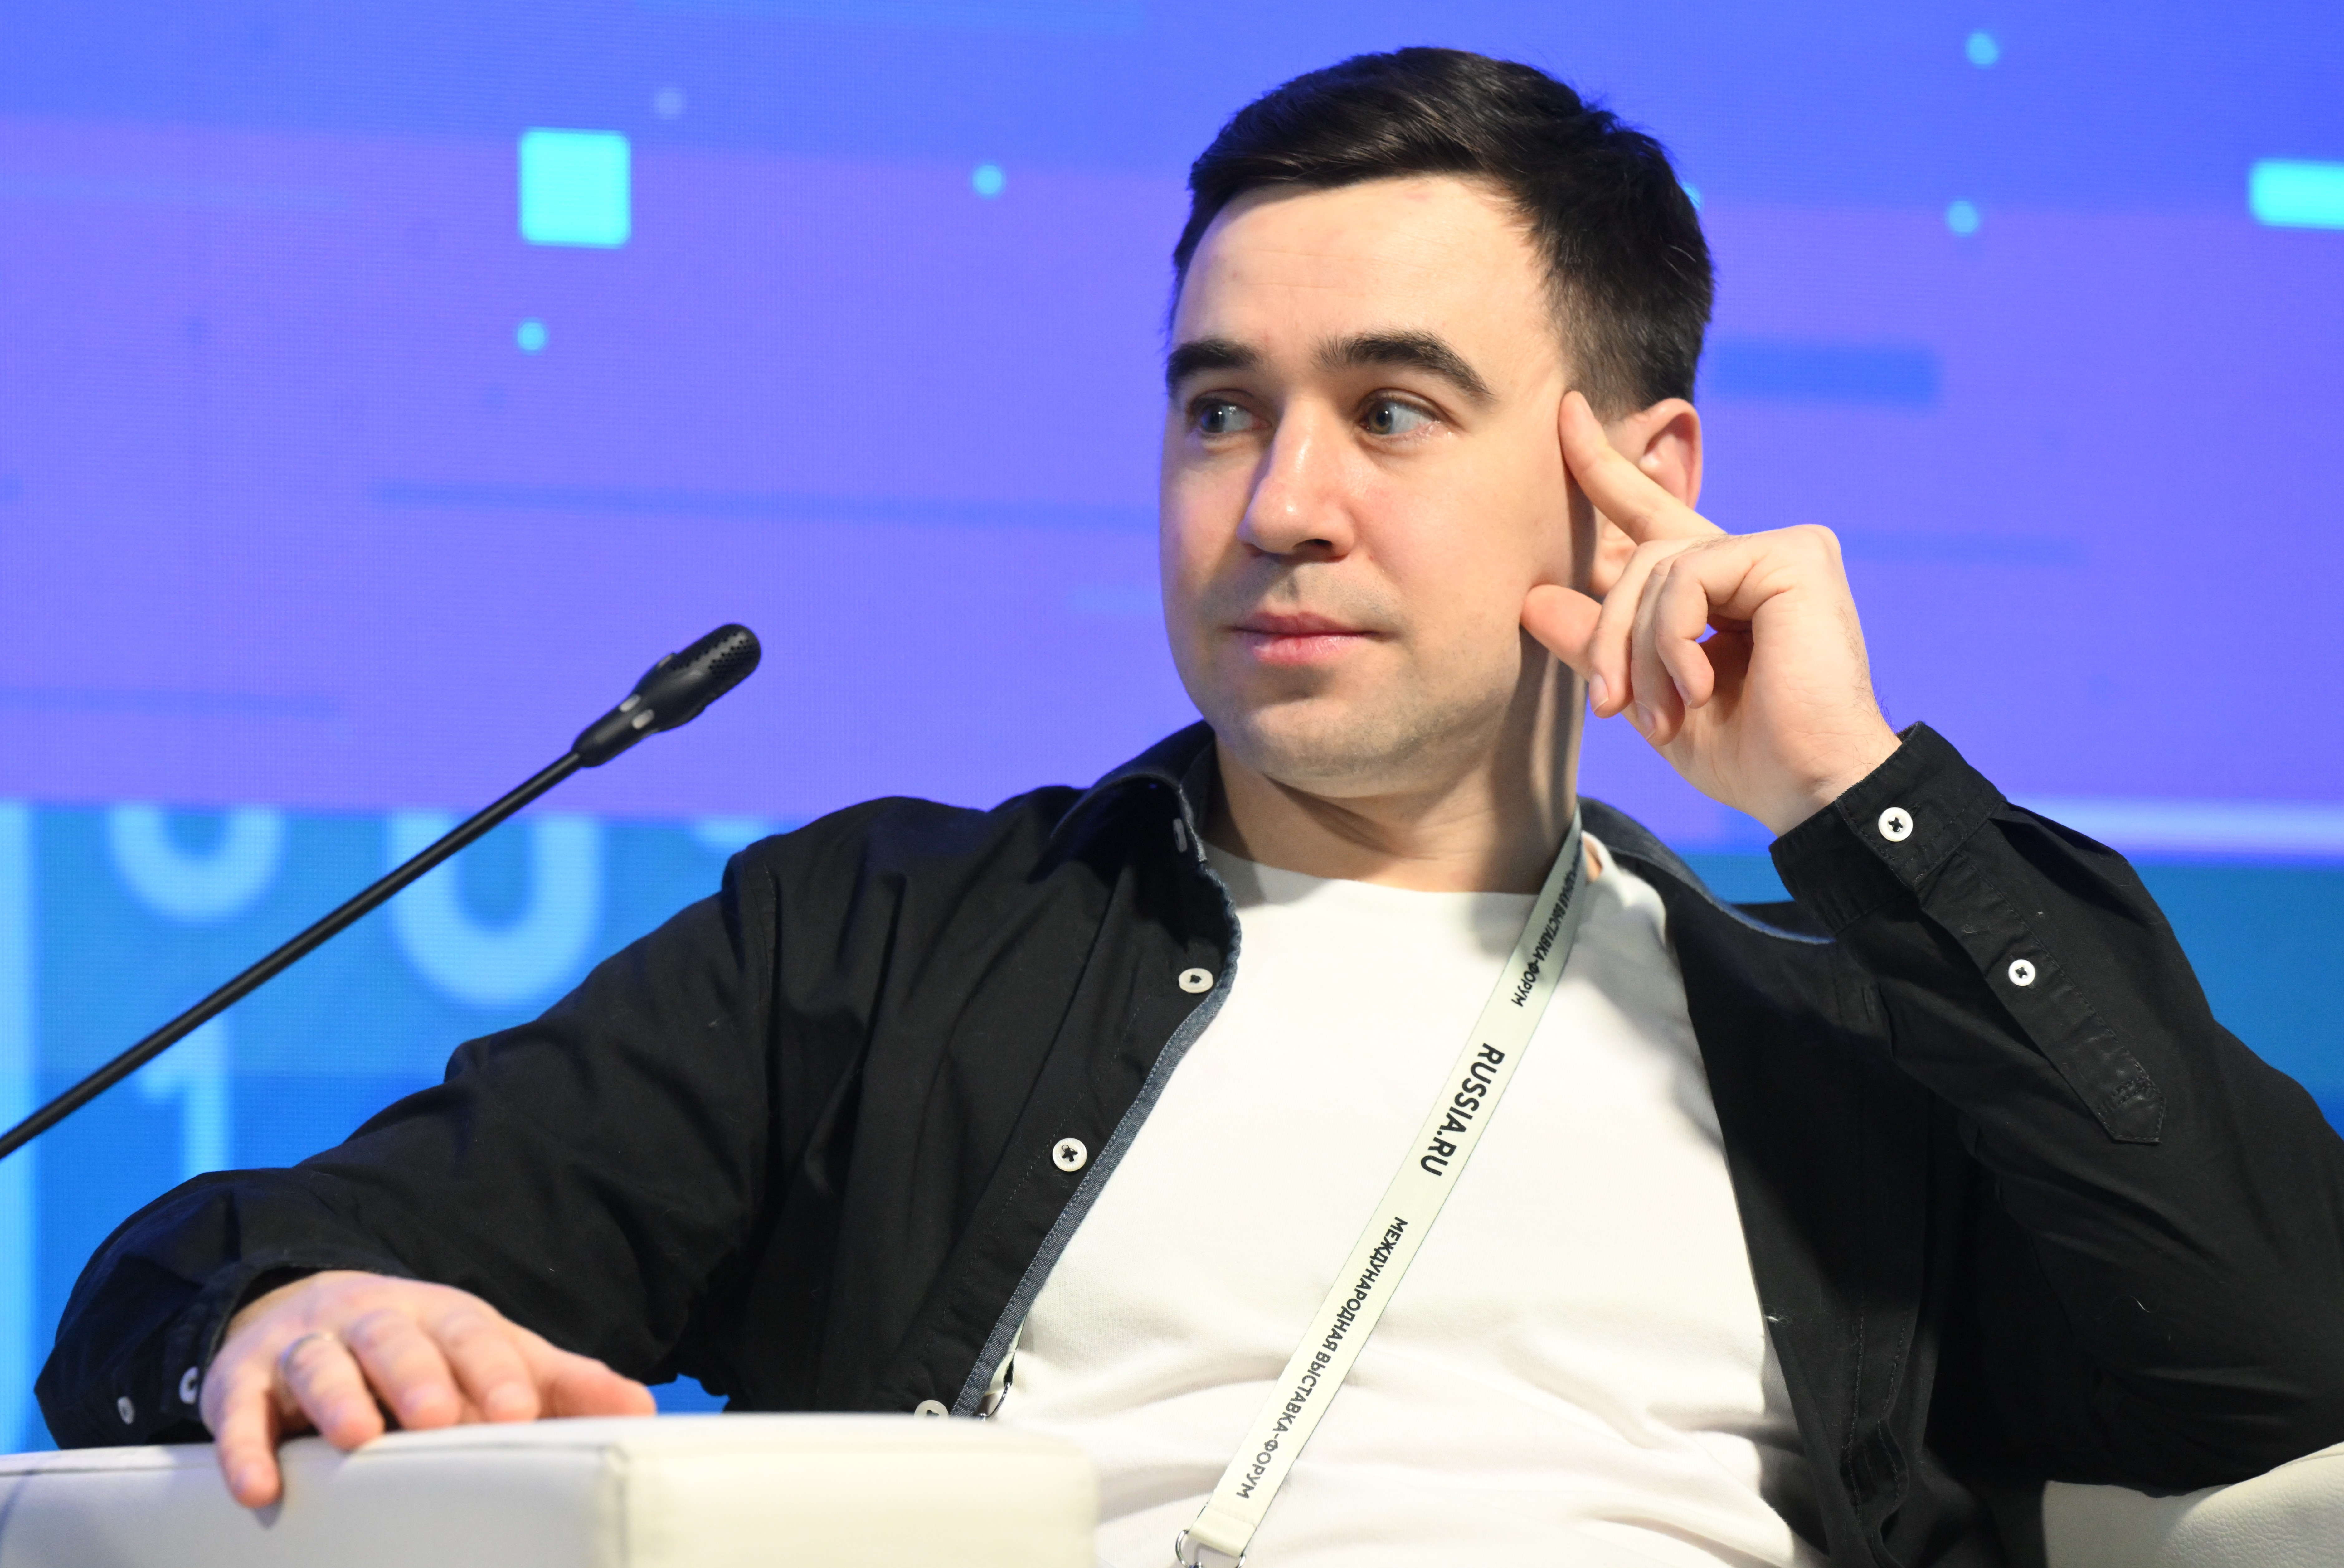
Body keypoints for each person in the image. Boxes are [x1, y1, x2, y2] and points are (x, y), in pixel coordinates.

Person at [39, 47, 2344, 1568]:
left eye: (1394, 409)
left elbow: (2278, 1352)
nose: (1279, 504)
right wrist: (289, 1311)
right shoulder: (882, 941)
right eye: (1221, 408)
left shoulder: (1845, 1050)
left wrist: (1857, 798)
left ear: (1640, 483)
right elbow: (199, 1276)